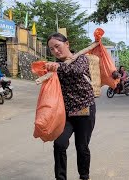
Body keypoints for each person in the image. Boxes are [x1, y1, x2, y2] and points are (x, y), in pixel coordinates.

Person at [45, 32, 95, 180]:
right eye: (52, 49)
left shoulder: (81, 59)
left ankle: (84, 176)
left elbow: (76, 71)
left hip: (84, 109)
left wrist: (57, 66)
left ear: (67, 44)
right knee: (59, 144)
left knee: (82, 147)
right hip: (65, 113)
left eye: (57, 46)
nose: (55, 51)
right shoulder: (55, 66)